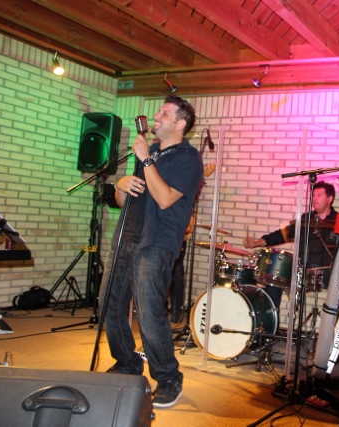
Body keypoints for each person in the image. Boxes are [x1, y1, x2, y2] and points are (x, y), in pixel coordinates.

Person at [99, 95, 203, 409]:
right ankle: (127, 363)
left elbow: (165, 199)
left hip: (156, 242)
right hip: (126, 237)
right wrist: (121, 184)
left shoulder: (188, 158)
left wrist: (145, 160)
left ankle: (168, 378)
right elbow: (126, 200)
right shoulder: (151, 150)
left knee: (148, 313)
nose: (156, 116)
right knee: (108, 304)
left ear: (180, 123)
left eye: (164, 113)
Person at [243, 181, 339, 304]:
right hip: (301, 268)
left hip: (325, 272)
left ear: (330, 199)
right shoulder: (306, 219)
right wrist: (257, 243)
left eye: (319, 195)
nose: (315, 199)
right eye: (313, 195)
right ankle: (272, 313)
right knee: (274, 277)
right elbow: (281, 235)